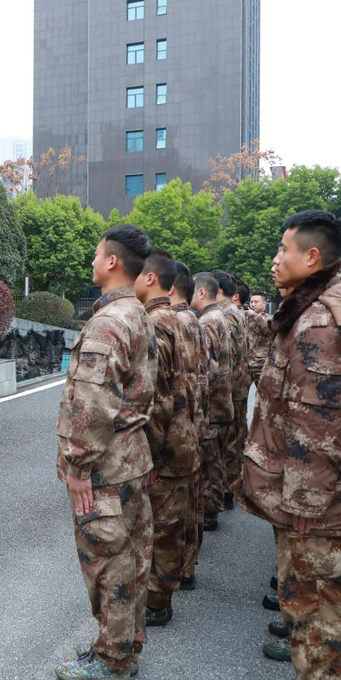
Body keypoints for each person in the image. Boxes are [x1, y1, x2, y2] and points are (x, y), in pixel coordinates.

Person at [235, 210, 341, 680]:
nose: (276, 259)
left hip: (314, 505)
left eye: (284, 249)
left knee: (315, 611)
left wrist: (305, 503)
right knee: (306, 608)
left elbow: (324, 425)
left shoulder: (320, 324)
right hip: (309, 498)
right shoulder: (308, 309)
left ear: (312, 256)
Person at [54, 225, 156, 680]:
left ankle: (112, 661)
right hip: (131, 458)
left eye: (97, 255)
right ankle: (122, 643)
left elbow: (92, 404)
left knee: (108, 562)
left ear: (112, 261)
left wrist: (77, 467)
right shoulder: (136, 312)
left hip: (106, 466)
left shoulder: (109, 321)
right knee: (131, 557)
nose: (92, 262)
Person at [135, 249, 200, 628]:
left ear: (150, 278)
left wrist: (151, 455)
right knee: (174, 522)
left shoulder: (157, 323)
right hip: (185, 433)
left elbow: (157, 398)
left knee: (160, 527)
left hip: (166, 444)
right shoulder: (182, 318)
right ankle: (165, 592)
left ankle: (157, 602)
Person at [169, 261, 206, 591]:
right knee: (189, 500)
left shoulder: (171, 322)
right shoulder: (194, 321)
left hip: (174, 427)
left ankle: (172, 575)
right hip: (193, 420)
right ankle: (187, 566)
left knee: (171, 510)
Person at [190, 272, 234, 531]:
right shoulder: (218, 316)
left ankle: (209, 511)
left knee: (209, 461)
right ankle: (213, 507)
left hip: (213, 405)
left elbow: (206, 368)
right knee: (215, 457)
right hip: (222, 401)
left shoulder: (208, 321)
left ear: (202, 292)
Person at [213, 269, 249, 511]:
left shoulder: (224, 314)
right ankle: (231, 488)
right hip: (239, 385)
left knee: (225, 442)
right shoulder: (234, 311)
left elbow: (225, 356)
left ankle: (226, 489)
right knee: (233, 440)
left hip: (230, 387)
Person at [245, 291, 274, 387]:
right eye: (251, 302)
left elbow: (269, 328)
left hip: (261, 363)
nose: (252, 304)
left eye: (256, 302)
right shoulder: (246, 318)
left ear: (264, 303)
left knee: (264, 392)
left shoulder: (270, 318)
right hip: (246, 363)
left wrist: (255, 315)